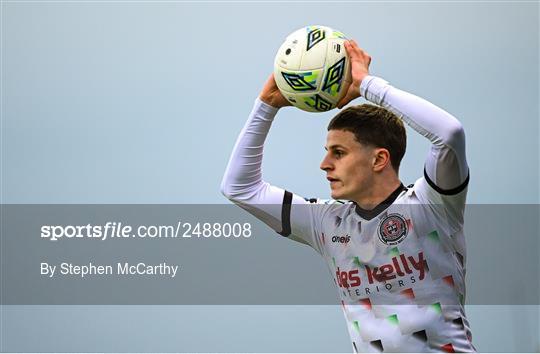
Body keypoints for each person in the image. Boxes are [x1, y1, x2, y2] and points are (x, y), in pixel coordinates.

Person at [221, 40, 475, 353]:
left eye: (338, 153)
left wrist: (368, 86)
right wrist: (267, 103)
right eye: (327, 152)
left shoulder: (431, 205)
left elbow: (449, 134)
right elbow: (238, 187)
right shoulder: (327, 224)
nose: (325, 165)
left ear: (379, 159)